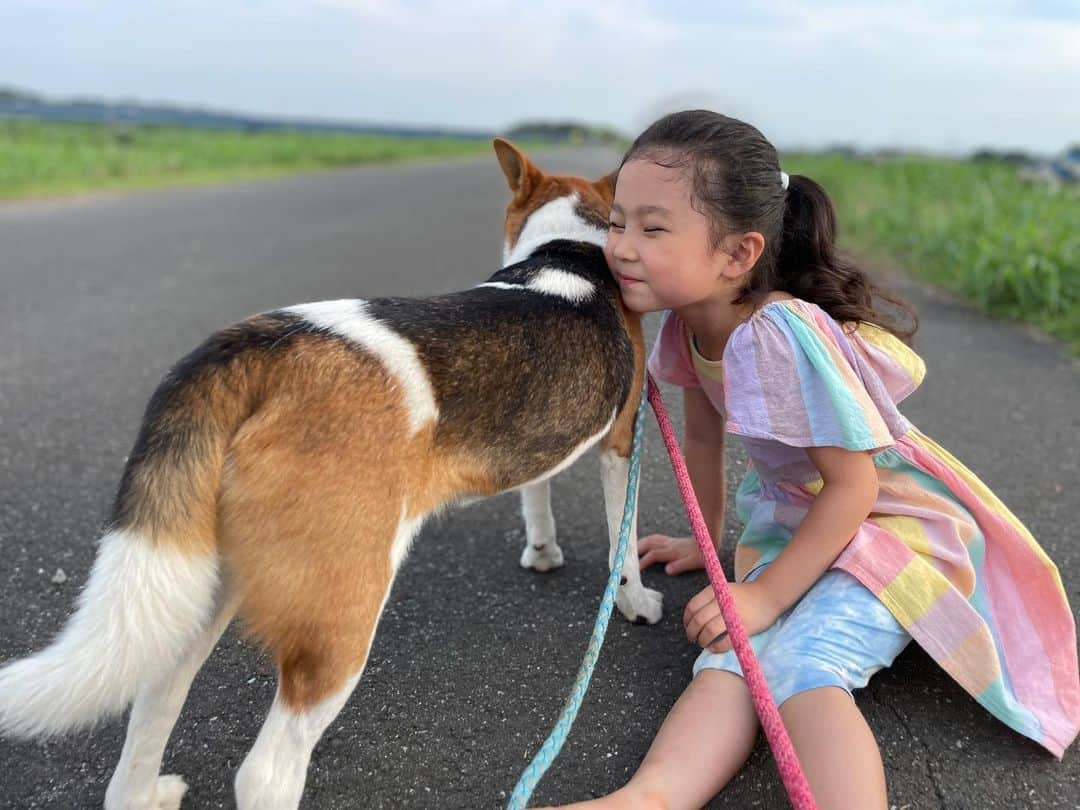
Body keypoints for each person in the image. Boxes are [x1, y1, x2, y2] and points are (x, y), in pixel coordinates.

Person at [544, 110, 1080, 810]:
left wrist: (766, 593)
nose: (622, 247)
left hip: (891, 527)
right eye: (618, 223)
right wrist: (705, 542)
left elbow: (856, 486)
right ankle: (651, 796)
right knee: (731, 653)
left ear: (738, 255)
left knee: (803, 664)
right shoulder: (687, 322)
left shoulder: (778, 332)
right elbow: (702, 441)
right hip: (806, 522)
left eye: (653, 228)